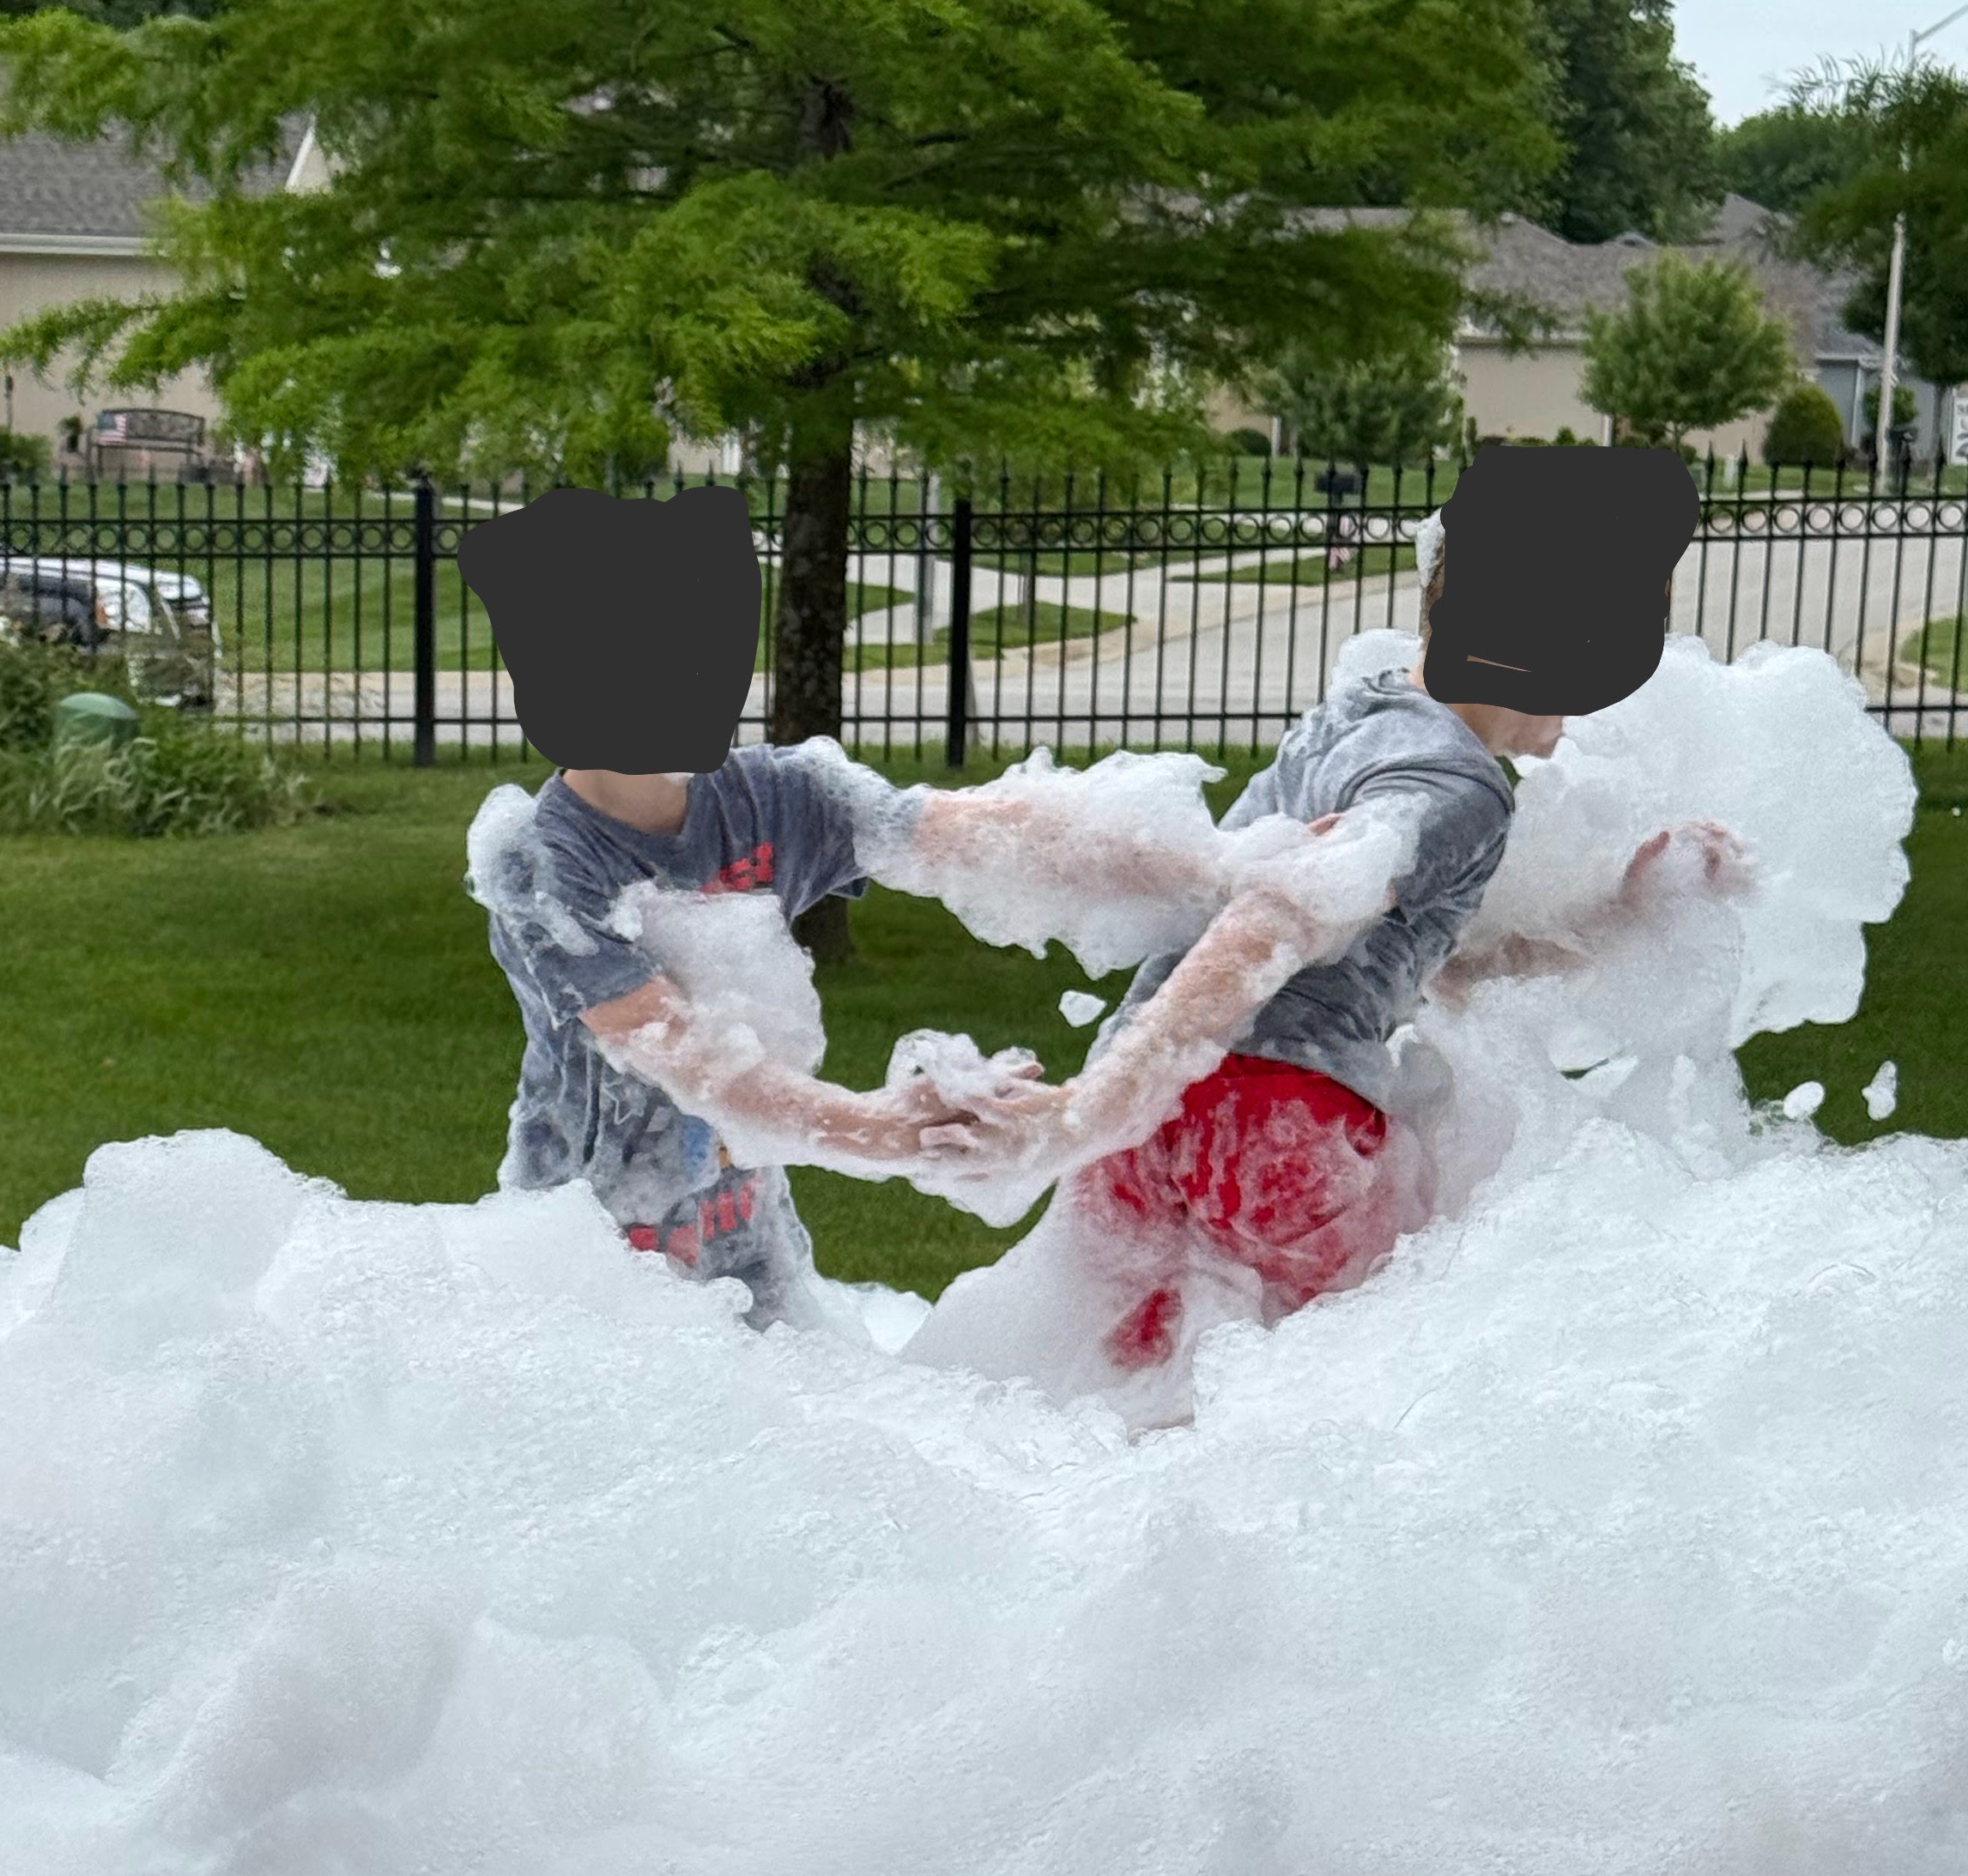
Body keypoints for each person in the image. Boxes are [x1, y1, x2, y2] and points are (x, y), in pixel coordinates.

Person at [925, 444, 1748, 1387]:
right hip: (1282, 1126)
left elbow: (1411, 953)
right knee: (1361, 1390)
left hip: (1150, 1115)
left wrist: (1620, 908)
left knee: (1120, 1397)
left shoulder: (1354, 715)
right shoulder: (1460, 790)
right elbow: (1281, 917)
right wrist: (1079, 1112)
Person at [457, 484, 1309, 1327]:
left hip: (747, 1239)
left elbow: (996, 833)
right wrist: (894, 1133)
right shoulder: (540, 862)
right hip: (585, 1263)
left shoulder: (775, 795)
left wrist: (1227, 866)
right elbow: (682, 1054)